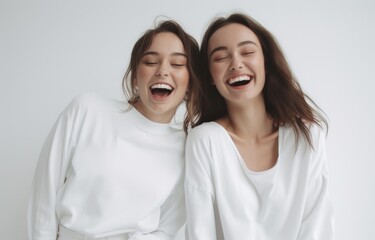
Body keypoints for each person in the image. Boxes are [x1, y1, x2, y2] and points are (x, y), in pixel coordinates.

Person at [28, 20, 200, 240]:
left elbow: (165, 230)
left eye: (177, 64)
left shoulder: (187, 148)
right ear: (136, 76)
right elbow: (43, 199)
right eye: (150, 61)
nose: (163, 71)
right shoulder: (87, 110)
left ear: (190, 85)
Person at [185, 13, 334, 240]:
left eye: (247, 52)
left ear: (266, 63)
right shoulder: (205, 140)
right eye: (221, 57)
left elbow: (318, 228)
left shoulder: (307, 136)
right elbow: (200, 232)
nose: (236, 64)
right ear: (211, 76)